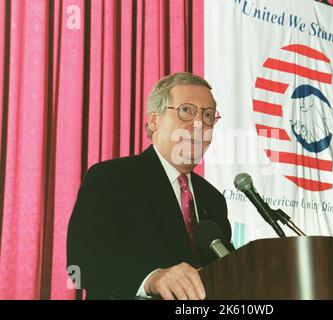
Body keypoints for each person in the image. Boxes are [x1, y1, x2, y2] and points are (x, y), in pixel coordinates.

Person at [67, 72, 233, 300]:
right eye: (186, 110)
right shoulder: (110, 179)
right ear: (154, 120)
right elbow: (80, 267)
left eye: (208, 115)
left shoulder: (212, 199)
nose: (198, 124)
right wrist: (152, 279)